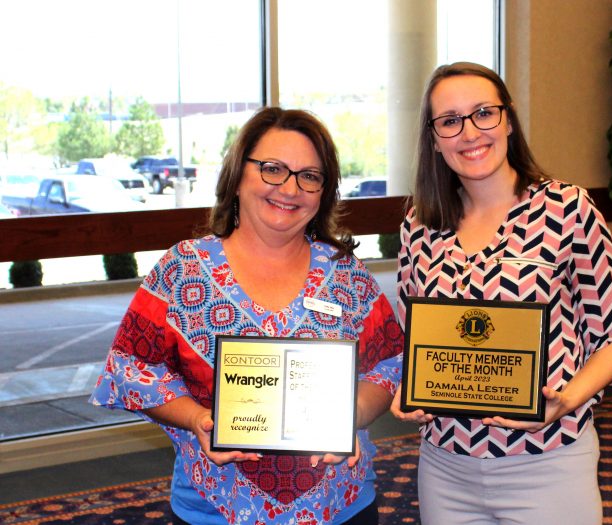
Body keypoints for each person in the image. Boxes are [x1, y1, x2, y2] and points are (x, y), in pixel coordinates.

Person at [91, 107, 403, 525]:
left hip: (339, 507)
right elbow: (131, 368)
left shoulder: (346, 274)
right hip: (214, 510)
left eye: (309, 176)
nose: (290, 189)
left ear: (323, 191)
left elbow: (389, 363)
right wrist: (199, 419)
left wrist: (352, 416)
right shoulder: (183, 269)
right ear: (238, 175)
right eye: (273, 169)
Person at [390, 62, 612, 525]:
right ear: (433, 138)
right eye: (449, 121)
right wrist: (410, 389)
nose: (469, 133)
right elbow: (415, 339)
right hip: (447, 464)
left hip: (548, 462)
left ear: (507, 119)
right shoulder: (419, 224)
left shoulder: (567, 209)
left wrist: (566, 400)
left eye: (483, 113)